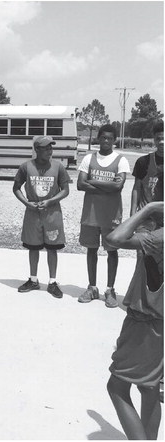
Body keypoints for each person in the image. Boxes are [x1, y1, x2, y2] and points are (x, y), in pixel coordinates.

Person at [106, 177, 163, 440]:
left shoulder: (158, 239)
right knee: (148, 387)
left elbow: (114, 239)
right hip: (159, 324)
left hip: (144, 322)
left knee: (116, 386)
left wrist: (148, 209)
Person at [77, 124, 130, 307]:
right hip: (91, 213)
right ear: (98, 138)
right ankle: (92, 287)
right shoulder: (89, 158)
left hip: (111, 214)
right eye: (103, 138)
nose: (106, 141)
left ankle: (110, 289)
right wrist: (106, 186)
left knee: (112, 251)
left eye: (110, 138)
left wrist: (92, 181)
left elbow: (118, 187)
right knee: (91, 250)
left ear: (114, 140)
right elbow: (79, 184)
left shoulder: (121, 160)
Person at [13, 135, 70, 298]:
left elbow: (65, 190)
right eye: (45, 148)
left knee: (52, 248)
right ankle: (33, 279)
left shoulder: (58, 167)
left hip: (52, 214)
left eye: (51, 147)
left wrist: (51, 201)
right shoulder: (26, 167)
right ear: (36, 149)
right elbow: (16, 187)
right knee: (33, 247)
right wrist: (27, 203)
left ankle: (52, 282)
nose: (49, 151)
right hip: (33, 213)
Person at [130, 120, 163, 216]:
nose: (162, 142)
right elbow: (137, 188)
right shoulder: (143, 161)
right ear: (154, 139)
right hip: (145, 219)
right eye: (158, 138)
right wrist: (132, 214)